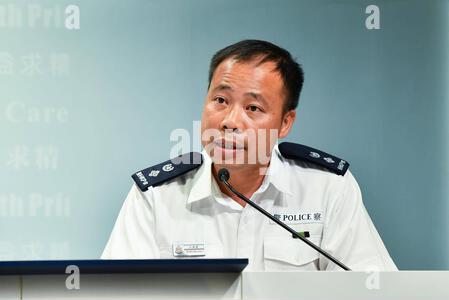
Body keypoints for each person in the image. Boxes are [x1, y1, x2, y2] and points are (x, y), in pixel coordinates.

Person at [101, 39, 397, 271]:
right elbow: (121, 294)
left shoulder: (327, 188)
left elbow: (372, 288)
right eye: (220, 100)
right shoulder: (155, 195)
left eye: (253, 108)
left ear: (285, 122)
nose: (230, 121)